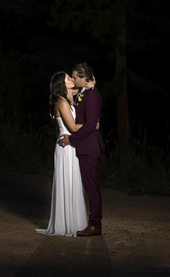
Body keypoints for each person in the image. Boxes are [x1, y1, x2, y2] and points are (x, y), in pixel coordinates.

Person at [35, 72, 87, 236]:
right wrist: (93, 126)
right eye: (68, 78)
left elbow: (84, 86)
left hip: (72, 144)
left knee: (75, 182)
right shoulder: (61, 101)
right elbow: (72, 127)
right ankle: (64, 224)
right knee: (68, 182)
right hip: (65, 148)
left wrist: (87, 81)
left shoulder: (69, 98)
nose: (72, 79)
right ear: (61, 84)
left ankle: (75, 222)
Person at [67, 63, 103, 236]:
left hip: (90, 147)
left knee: (91, 186)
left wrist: (71, 139)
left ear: (83, 78)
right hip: (84, 147)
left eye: (75, 77)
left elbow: (90, 125)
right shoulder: (84, 93)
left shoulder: (92, 95)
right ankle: (92, 222)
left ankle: (95, 224)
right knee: (89, 185)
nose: (73, 79)